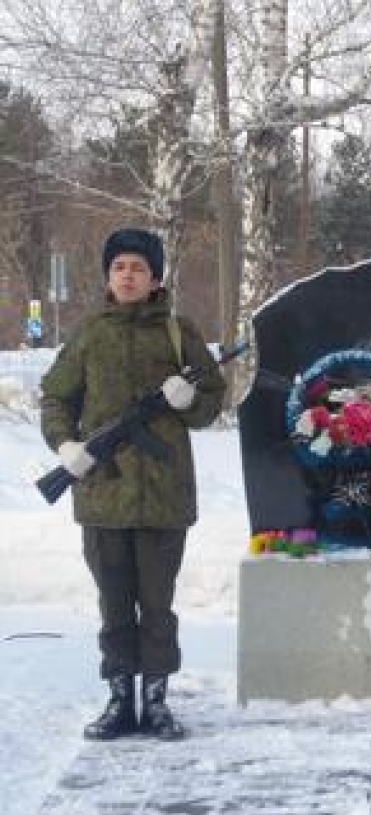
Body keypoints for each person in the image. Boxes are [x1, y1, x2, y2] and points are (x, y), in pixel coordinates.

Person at [40, 228, 227, 741]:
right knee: (115, 606)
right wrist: (66, 446)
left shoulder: (178, 333)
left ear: (155, 278)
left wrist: (190, 401)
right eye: (119, 266)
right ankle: (120, 700)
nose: (127, 276)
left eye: (138, 268)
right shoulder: (88, 334)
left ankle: (156, 701)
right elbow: (56, 398)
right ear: (108, 275)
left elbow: (213, 399)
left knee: (158, 606)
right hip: (103, 494)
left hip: (165, 496)